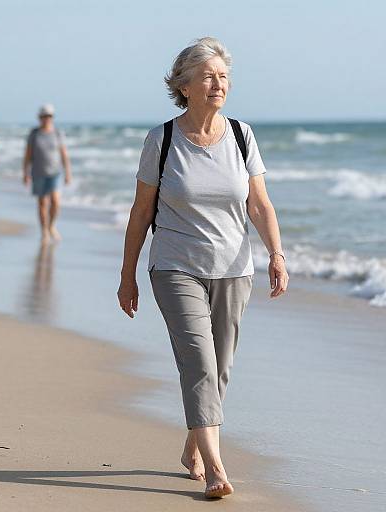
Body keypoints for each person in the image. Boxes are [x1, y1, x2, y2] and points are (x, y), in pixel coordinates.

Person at [117, 37, 289, 499]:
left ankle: (194, 444)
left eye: (224, 76)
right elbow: (140, 212)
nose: (219, 83)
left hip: (234, 268)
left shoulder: (241, 135)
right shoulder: (163, 139)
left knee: (221, 367)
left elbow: (260, 203)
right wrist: (127, 273)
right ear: (185, 85)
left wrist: (276, 254)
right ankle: (216, 467)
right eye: (209, 75)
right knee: (199, 362)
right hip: (175, 266)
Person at [23, 104, 72, 243]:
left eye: (49, 116)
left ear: (52, 117)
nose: (46, 119)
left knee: (56, 201)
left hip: (55, 172)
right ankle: (44, 231)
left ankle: (51, 226)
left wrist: (68, 172)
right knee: (42, 203)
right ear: (39, 118)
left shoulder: (57, 133)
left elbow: (64, 154)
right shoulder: (34, 134)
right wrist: (25, 173)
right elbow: (27, 155)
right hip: (38, 172)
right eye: (44, 116)